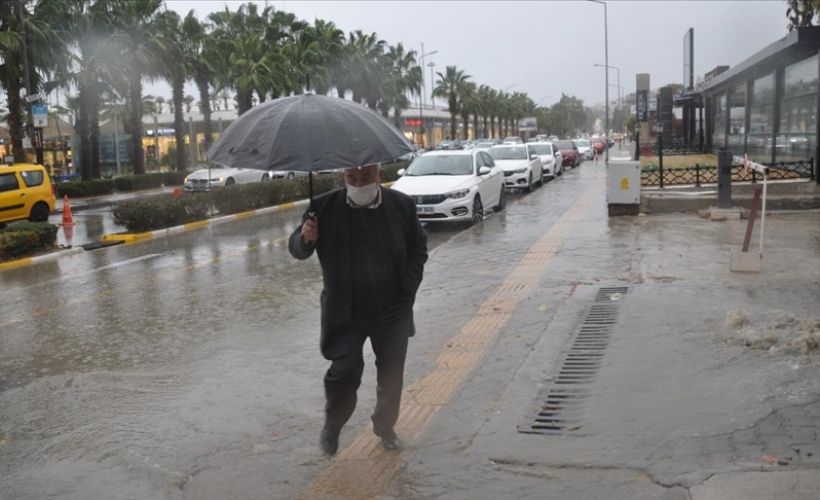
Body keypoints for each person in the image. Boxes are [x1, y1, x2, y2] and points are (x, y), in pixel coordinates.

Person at [288, 164, 428, 455]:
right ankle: (333, 424)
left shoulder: (401, 205)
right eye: (352, 178)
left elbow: (418, 249)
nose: (359, 184)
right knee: (345, 371)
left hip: (392, 307)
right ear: (343, 177)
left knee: (391, 373)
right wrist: (305, 238)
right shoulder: (322, 207)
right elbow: (297, 249)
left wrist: (407, 292)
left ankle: (385, 427)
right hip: (345, 310)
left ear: (378, 175)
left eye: (366, 177)